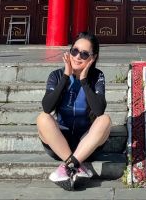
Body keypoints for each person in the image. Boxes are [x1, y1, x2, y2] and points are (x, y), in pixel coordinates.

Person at [36, 31, 112, 191]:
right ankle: (75, 165)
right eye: (75, 51)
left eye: (84, 54)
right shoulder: (56, 75)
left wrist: (84, 80)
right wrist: (66, 76)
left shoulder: (97, 76)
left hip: (87, 145)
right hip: (59, 143)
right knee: (43, 118)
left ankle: (67, 167)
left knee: (105, 120)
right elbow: (47, 107)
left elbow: (99, 110)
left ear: (93, 58)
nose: (77, 57)